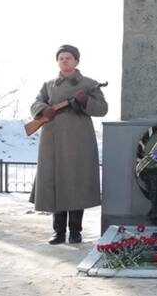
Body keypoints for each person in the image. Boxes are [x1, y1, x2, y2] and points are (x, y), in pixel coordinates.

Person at [29, 44, 107, 244]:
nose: (65, 61)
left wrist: (84, 101)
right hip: (52, 141)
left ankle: (75, 231)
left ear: (77, 61)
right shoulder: (48, 85)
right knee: (56, 183)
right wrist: (44, 110)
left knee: (76, 184)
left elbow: (102, 109)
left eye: (69, 58)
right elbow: (35, 104)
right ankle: (58, 232)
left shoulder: (90, 84)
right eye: (61, 58)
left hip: (79, 140)